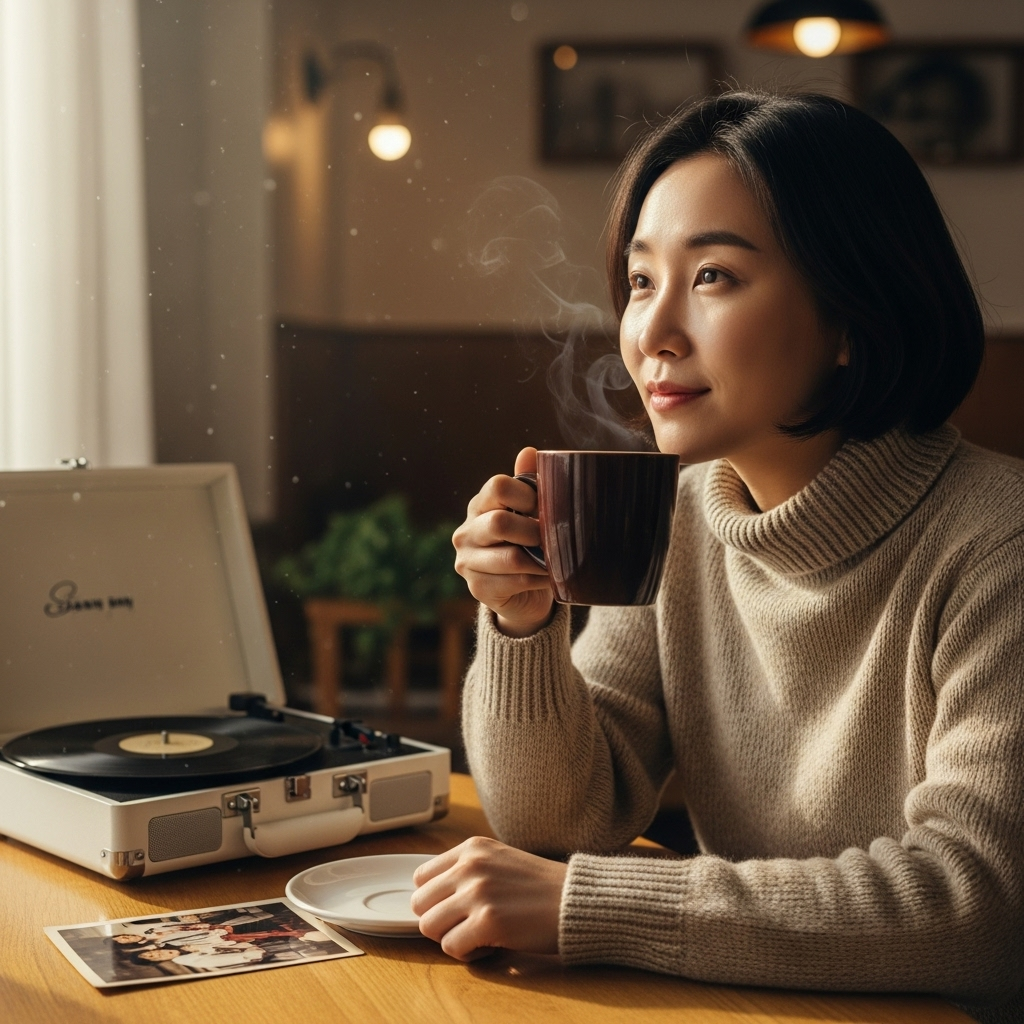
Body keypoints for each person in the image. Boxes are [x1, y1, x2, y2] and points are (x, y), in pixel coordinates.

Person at [410, 91, 1024, 1023]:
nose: (651, 335)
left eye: (714, 278)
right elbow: (561, 822)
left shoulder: (999, 543)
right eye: (643, 280)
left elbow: (974, 907)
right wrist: (524, 623)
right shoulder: (686, 513)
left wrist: (595, 910)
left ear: (853, 314)